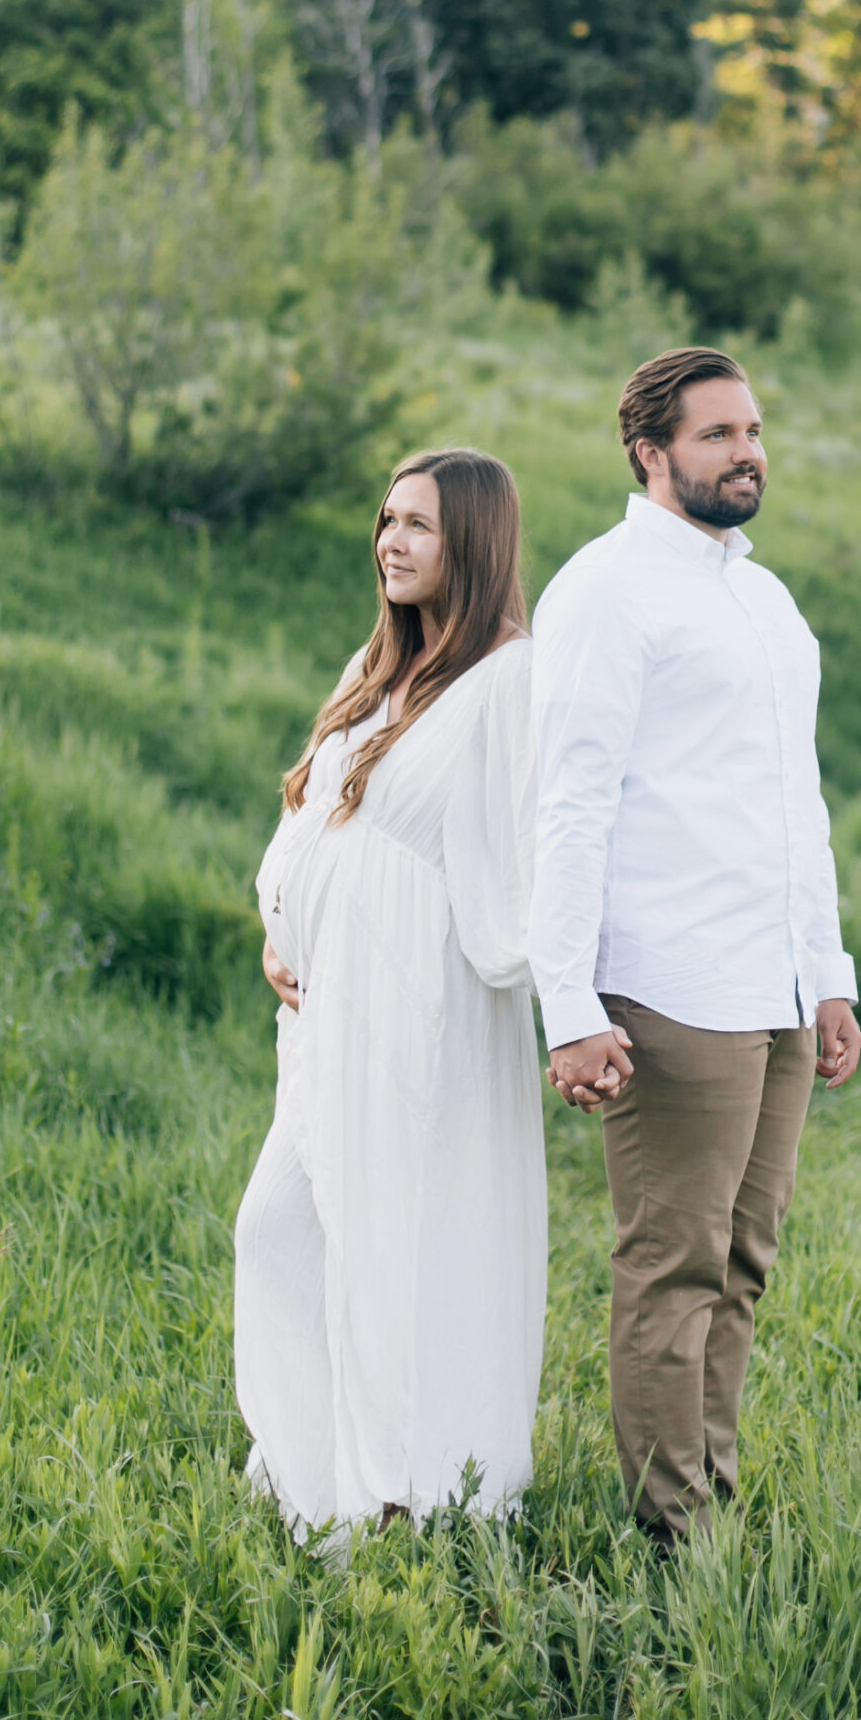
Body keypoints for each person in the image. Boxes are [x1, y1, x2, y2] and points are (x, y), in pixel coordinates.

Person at [529, 348, 861, 1548]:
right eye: (718, 433)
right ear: (649, 453)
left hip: (770, 985)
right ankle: (672, 1543)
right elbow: (566, 802)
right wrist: (567, 1000)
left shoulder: (762, 601)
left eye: (755, 429)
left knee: (742, 1266)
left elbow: (795, 803)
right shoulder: (606, 590)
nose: (746, 451)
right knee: (672, 1271)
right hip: (669, 986)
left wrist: (825, 976)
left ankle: (710, 1502)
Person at [234, 448, 544, 1534]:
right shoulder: (374, 667)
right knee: (279, 1230)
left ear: (474, 540)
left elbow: (525, 855)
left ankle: (409, 1494)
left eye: (418, 524)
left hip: (422, 1008)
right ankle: (311, 1474)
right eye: (384, 520)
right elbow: (310, 821)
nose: (390, 541)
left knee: (401, 1244)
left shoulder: (507, 678)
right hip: (326, 1010)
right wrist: (281, 927)